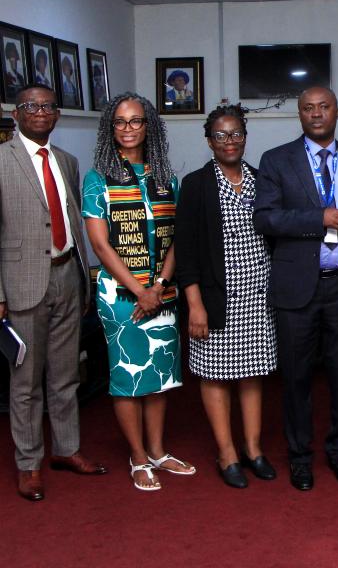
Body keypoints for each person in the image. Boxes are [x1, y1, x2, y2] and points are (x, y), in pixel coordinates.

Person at [254, 86, 338, 491]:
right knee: (297, 379)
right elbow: (266, 219)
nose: (317, 114)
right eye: (308, 108)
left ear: (337, 111)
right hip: (296, 288)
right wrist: (319, 217)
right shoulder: (276, 160)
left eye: (324, 107)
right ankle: (300, 456)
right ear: (299, 114)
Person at [83, 92, 194, 492]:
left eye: (136, 121)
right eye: (120, 122)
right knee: (128, 375)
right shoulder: (98, 179)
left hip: (161, 293)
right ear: (109, 129)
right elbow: (100, 245)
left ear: (149, 126)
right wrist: (140, 292)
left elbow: (178, 239)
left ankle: (159, 451)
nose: (128, 129)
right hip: (120, 298)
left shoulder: (168, 178)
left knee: (160, 374)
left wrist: (159, 286)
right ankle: (137, 456)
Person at [0, 84, 106, 501]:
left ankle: (66, 450)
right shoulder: (2, 161)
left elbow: (73, 222)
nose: (41, 113)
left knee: (65, 376)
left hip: (68, 277)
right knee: (25, 382)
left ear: (57, 115)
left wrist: (86, 278)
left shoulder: (67, 161)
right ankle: (29, 464)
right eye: (32, 106)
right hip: (22, 284)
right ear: (17, 114)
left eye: (48, 107)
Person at [174, 104, 277, 489]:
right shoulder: (197, 184)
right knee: (215, 376)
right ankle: (227, 452)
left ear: (245, 138)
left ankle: (252, 449)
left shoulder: (261, 179)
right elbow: (186, 250)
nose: (229, 141)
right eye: (220, 135)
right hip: (216, 296)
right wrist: (195, 303)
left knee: (252, 374)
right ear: (209, 140)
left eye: (236, 134)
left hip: (258, 295)